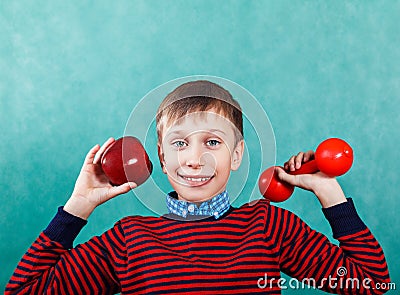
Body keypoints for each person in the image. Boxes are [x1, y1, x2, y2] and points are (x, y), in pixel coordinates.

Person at [6, 80, 390, 294]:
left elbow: (372, 283)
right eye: (179, 143)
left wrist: (330, 193)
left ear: (236, 155)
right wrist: (78, 207)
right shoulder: (130, 239)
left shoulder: (269, 226)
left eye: (212, 142)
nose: (193, 159)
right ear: (160, 154)